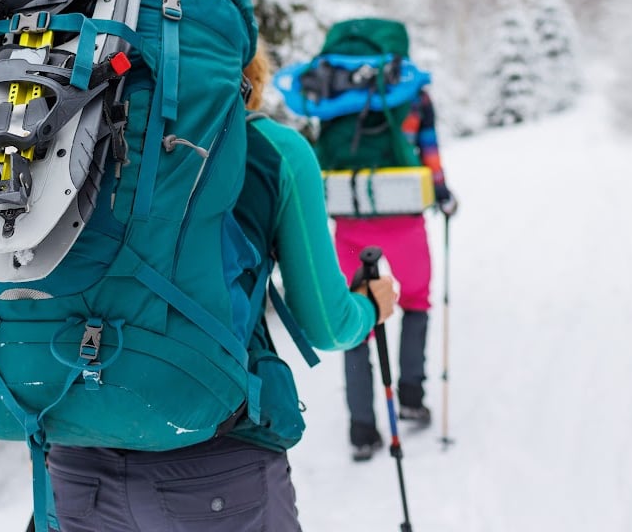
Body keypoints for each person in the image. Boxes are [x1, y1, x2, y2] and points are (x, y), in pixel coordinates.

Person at [46, 42, 397, 531]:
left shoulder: (69, 134)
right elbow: (328, 325)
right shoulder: (274, 149)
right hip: (218, 459)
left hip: (76, 464)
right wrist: (371, 307)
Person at [333, 86, 457, 461]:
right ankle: (411, 400)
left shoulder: (334, 94)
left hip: (351, 219)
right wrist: (443, 194)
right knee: (417, 301)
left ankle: (362, 430)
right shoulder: (415, 97)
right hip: (404, 220)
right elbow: (429, 152)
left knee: (356, 319)